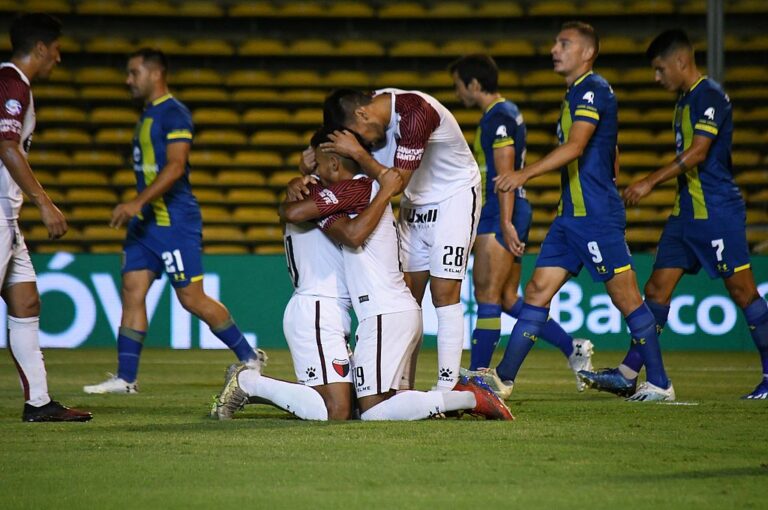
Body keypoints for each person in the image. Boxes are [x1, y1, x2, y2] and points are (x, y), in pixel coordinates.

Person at [215, 127, 513, 421]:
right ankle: (249, 383)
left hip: (347, 310)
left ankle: (457, 399)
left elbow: (316, 215)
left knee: (358, 407)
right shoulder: (316, 193)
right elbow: (321, 222)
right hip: (319, 306)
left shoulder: (331, 193)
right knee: (340, 410)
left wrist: (303, 177)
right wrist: (376, 189)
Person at [469, 21, 675, 402]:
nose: (554, 49)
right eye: (555, 42)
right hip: (570, 218)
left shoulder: (593, 90)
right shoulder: (575, 94)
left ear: (587, 53)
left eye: (564, 44)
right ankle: (502, 379)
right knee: (535, 290)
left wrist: (522, 174)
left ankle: (660, 382)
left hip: (594, 215)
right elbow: (609, 151)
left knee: (627, 299)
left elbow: (578, 146)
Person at [579, 29, 768, 400]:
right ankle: (629, 373)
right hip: (686, 216)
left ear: (681, 61)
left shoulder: (709, 96)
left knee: (743, 291)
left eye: (660, 69)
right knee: (655, 290)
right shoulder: (684, 101)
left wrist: (650, 181)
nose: (656, 77)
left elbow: (699, 152)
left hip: (716, 212)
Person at [84, 49, 263, 394]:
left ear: (155, 73)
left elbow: (176, 166)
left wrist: (136, 201)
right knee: (132, 291)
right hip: (146, 225)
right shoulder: (148, 114)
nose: (128, 80)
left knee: (192, 299)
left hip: (173, 221)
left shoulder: (174, 113)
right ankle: (126, 378)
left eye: (133, 72)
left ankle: (249, 356)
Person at [318, 86, 481, 392]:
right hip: (414, 205)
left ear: (362, 114)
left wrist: (357, 152)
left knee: (444, 292)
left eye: (359, 134)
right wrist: (305, 172)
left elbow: (396, 183)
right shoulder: (368, 109)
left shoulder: (415, 113)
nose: (363, 141)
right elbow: (324, 154)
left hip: (453, 198)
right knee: (407, 296)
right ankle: (402, 386)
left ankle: (447, 387)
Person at [449, 54, 594, 390]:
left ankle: (478, 378)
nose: (457, 93)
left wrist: (504, 220)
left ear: (473, 84)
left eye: (459, 86)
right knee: (506, 298)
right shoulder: (507, 111)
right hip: (514, 208)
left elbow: (504, 173)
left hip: (501, 209)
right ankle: (570, 347)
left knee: (485, 295)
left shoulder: (497, 117)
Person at [0, 13, 91, 421]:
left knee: (26, 300)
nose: (58, 59)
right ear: (40, 48)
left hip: (8, 215)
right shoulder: (12, 81)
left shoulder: (16, 83)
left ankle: (38, 403)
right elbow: (6, 145)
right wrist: (44, 202)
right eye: (56, 52)